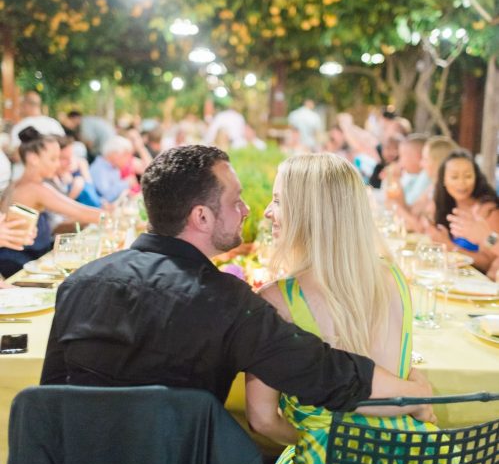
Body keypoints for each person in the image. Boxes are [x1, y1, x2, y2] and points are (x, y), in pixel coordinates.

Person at [41, 145, 433, 416]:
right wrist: (416, 394)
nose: (249, 210)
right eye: (236, 201)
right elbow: (324, 373)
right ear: (201, 217)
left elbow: (48, 401)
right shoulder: (227, 302)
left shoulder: (79, 284)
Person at [245, 153, 462, 464]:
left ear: (310, 212)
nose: (269, 211)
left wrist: (310, 438)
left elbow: (261, 420)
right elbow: (400, 376)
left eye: (279, 200)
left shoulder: (276, 301)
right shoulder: (394, 278)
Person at [0, 128, 103, 277]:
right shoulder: (35, 189)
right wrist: (114, 216)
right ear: (33, 158)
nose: (57, 164)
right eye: (53, 159)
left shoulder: (15, 184)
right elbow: (82, 213)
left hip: (18, 261)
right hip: (20, 265)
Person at [428, 149, 499, 272]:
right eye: (454, 177)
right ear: (443, 180)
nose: (461, 183)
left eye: (468, 176)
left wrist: (485, 237)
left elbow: (490, 259)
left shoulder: (487, 209)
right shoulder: (444, 204)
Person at [394, 135, 457, 232]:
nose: (421, 164)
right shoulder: (433, 186)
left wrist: (396, 207)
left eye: (425, 159)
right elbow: (412, 211)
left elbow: (421, 227)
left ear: (438, 162)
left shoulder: (446, 191)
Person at [89, 135, 135, 203]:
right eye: (125, 155)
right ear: (115, 154)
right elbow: (106, 196)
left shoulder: (114, 168)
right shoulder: (99, 168)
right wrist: (126, 183)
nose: (127, 160)